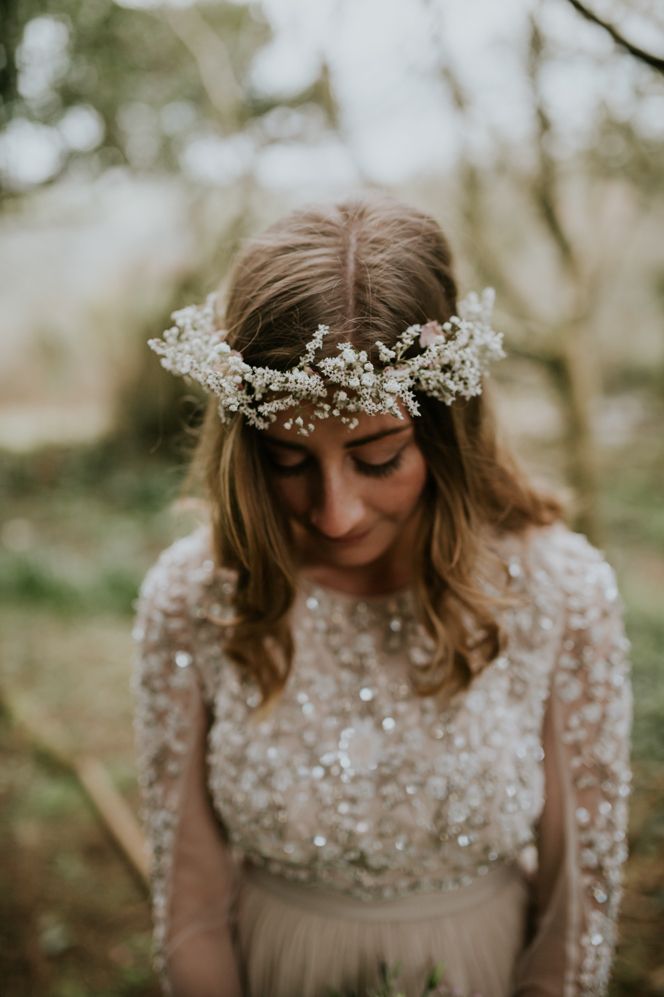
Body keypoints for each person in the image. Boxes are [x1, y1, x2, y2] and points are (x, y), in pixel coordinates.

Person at [132, 196, 632, 997]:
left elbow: (579, 905)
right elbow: (186, 899)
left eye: (378, 457)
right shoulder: (193, 598)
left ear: (446, 429)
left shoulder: (561, 590)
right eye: (288, 461)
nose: (336, 512)